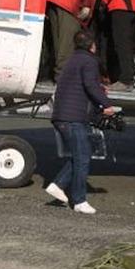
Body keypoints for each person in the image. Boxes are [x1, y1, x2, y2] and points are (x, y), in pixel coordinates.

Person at [45, 30, 116, 214]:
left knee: (80, 154)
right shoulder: (89, 61)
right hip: (73, 118)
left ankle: (58, 184)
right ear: (92, 45)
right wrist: (106, 104)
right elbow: (90, 85)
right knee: (83, 157)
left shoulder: (73, 60)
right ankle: (79, 201)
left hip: (62, 115)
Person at [45, 0, 102, 81]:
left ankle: (55, 74)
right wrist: (86, 5)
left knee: (57, 40)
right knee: (68, 43)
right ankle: (63, 78)